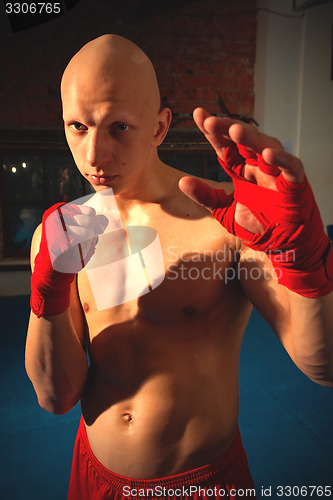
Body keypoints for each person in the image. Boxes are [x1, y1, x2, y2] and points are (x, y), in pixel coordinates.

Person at [25, 34, 333, 500]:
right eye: (79, 127)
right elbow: (56, 397)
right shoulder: (61, 234)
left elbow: (323, 368)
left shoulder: (226, 221)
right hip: (93, 475)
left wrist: (306, 261)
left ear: (158, 127)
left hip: (202, 484)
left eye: (119, 127)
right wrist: (49, 289)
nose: (94, 155)